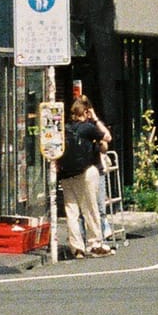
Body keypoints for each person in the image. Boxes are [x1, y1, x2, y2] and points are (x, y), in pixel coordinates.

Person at [56, 90, 113, 259]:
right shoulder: (88, 127)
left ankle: (77, 248)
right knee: (90, 208)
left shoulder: (64, 129)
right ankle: (95, 243)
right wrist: (95, 118)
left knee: (71, 211)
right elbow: (107, 137)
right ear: (85, 112)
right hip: (86, 172)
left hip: (66, 175)